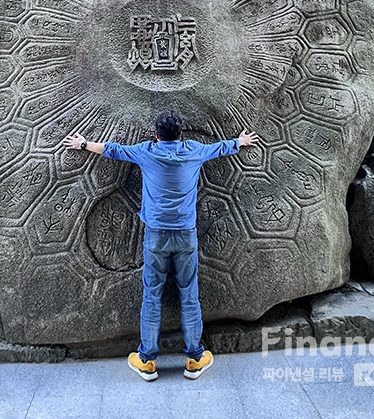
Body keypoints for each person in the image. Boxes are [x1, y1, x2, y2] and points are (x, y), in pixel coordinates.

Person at [62, 111, 259, 382]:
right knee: (189, 295)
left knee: (152, 296)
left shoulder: (147, 152)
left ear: (157, 135)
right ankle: (195, 357)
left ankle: (147, 361)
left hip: (155, 235)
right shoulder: (194, 151)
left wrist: (83, 144)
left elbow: (113, 150)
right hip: (186, 234)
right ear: (181, 134)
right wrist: (239, 142)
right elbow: (220, 148)